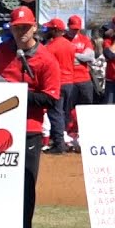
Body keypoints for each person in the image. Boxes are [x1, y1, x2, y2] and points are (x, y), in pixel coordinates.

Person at [0, 6, 61, 228]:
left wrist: (18, 96)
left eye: (25, 27)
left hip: (29, 131)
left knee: (25, 188)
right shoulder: (1, 51)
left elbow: (51, 99)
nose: (20, 32)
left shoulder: (47, 58)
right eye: (16, 27)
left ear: (35, 27)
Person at [38, 19, 74, 154]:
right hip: (70, 82)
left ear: (55, 30)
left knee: (55, 113)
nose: (47, 32)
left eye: (49, 29)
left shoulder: (50, 47)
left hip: (57, 83)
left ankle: (59, 144)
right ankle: (61, 141)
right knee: (63, 112)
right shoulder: (70, 45)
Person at [63, 15, 95, 151]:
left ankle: (85, 134)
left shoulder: (84, 39)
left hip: (84, 79)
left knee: (86, 108)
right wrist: (79, 56)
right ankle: (68, 136)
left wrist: (73, 55)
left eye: (77, 29)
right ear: (68, 26)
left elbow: (90, 57)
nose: (74, 31)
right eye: (72, 28)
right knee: (67, 109)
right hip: (69, 79)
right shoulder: (62, 39)